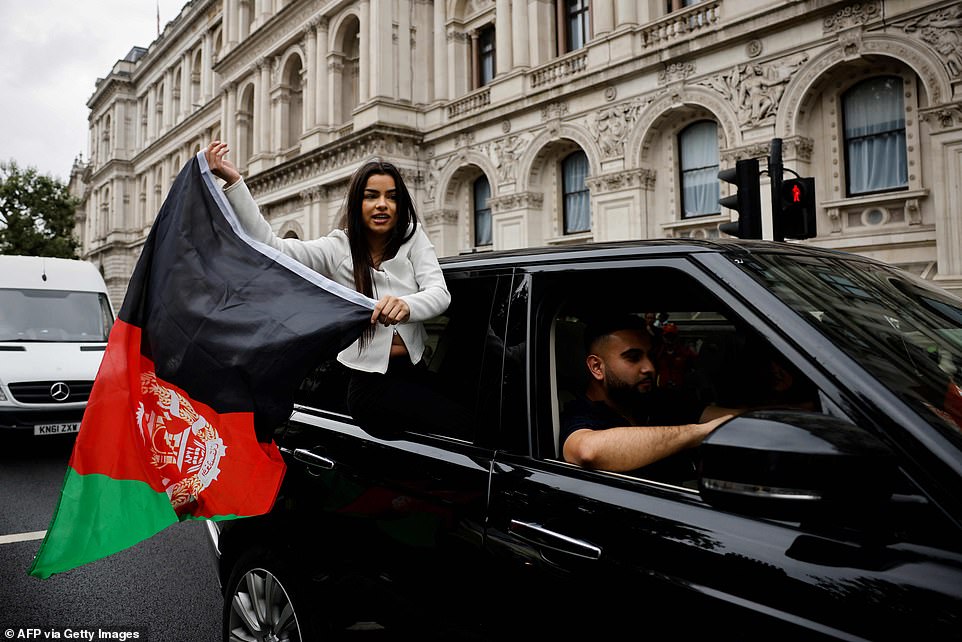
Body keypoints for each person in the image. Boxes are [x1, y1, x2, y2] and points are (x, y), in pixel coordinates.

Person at [204, 141, 468, 438]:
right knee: (464, 429)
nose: (382, 204)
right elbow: (272, 246)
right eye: (372, 196)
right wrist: (237, 183)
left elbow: (439, 292)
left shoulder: (413, 236)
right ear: (357, 204)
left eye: (391, 197)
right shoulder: (338, 247)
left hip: (415, 369)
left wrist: (407, 306)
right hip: (369, 388)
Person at [560, 313, 737, 480]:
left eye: (650, 356)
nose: (649, 368)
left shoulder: (656, 401)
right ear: (597, 367)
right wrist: (701, 431)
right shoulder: (580, 413)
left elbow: (727, 416)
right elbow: (587, 451)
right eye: (633, 358)